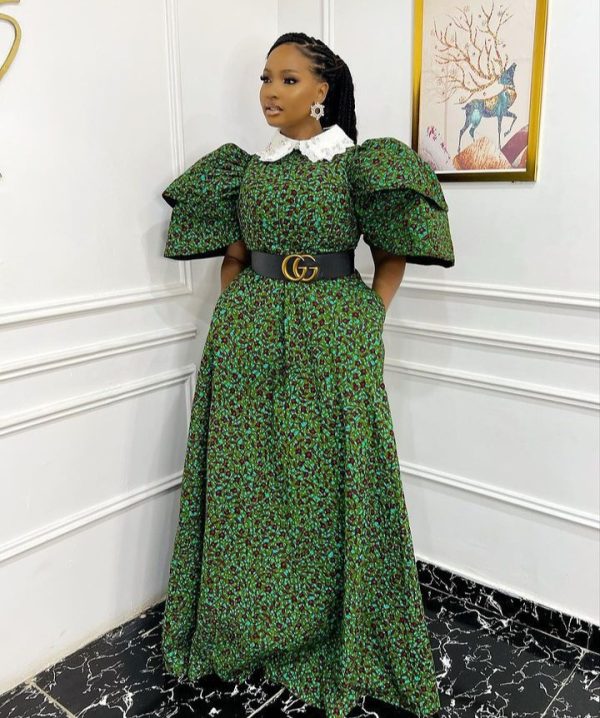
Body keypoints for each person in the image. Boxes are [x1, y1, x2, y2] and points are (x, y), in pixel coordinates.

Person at [159, 31, 454, 718]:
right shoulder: (243, 171)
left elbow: (391, 251)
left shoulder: (360, 166)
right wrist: (237, 308)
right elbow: (234, 256)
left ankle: (330, 632)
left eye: (287, 80)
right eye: (265, 79)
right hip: (249, 335)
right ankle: (244, 627)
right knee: (247, 481)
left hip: (334, 331)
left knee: (331, 478)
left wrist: (368, 317)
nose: (270, 92)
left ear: (322, 90)